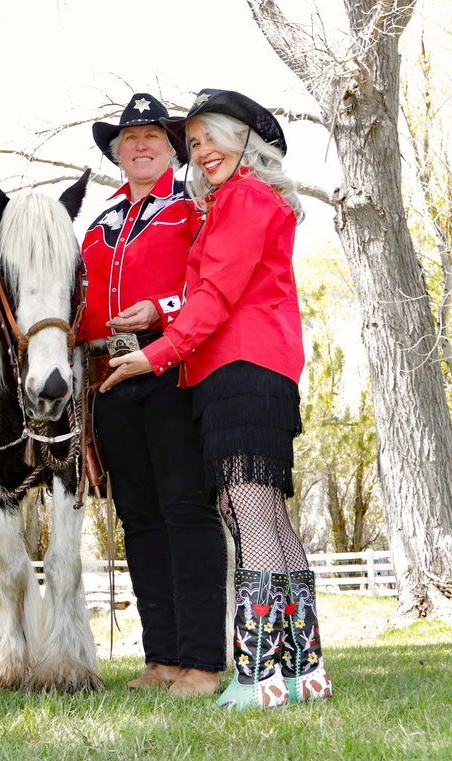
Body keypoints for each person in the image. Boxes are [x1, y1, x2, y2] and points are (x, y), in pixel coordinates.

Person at [101, 89, 333, 709]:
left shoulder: (245, 200)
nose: (202, 150)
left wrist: (152, 354)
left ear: (245, 142)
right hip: (250, 362)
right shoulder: (234, 202)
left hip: (241, 362)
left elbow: (215, 296)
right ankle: (304, 669)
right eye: (196, 140)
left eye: (213, 138)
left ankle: (258, 676)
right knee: (270, 517)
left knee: (246, 510)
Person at [80, 93, 227, 697]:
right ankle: (162, 657)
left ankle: (203, 662)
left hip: (172, 368)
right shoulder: (95, 223)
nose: (139, 145)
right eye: (128, 138)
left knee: (186, 511)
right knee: (139, 520)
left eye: (152, 137)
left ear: (171, 148)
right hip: (109, 381)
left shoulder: (193, 207)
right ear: (117, 152)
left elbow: (215, 283)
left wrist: (162, 311)